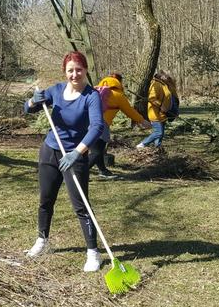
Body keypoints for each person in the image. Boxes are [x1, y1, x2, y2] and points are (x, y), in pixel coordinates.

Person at [23, 51, 105, 272]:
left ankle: (92, 253)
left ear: (86, 70)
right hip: (50, 151)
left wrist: (77, 153)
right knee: (46, 199)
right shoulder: (57, 91)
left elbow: (97, 127)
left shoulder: (91, 96)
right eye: (70, 70)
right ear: (65, 71)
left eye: (79, 69)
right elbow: (28, 109)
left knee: (81, 205)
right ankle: (42, 240)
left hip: (75, 156)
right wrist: (33, 101)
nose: (75, 74)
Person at [90, 73, 150, 178]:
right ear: (119, 82)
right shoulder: (117, 95)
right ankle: (80, 171)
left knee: (97, 149)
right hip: (100, 124)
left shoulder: (95, 90)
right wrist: (142, 121)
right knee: (97, 152)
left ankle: (103, 170)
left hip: (86, 121)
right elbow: (129, 111)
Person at [137, 71, 177, 149]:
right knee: (158, 133)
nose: (167, 77)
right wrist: (161, 106)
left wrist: (173, 110)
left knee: (160, 135)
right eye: (165, 76)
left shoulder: (163, 85)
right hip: (155, 113)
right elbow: (152, 98)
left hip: (162, 114)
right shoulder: (156, 84)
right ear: (161, 76)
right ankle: (142, 144)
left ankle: (157, 149)